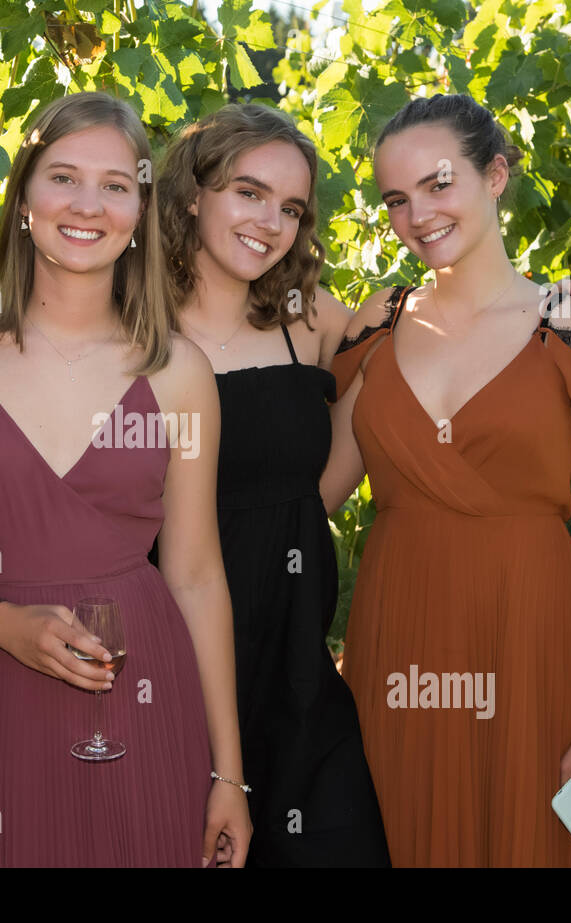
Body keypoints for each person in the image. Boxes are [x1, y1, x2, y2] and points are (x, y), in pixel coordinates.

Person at [0, 92, 252, 867]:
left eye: (114, 185)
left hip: (142, 692)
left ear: (140, 208)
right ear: (24, 195)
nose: (87, 205)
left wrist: (228, 772)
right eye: (63, 177)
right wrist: (4, 622)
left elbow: (198, 575)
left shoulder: (180, 374)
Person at [321, 93, 571, 866]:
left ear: (494, 174)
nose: (417, 214)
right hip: (397, 647)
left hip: (530, 644)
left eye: (437, 184)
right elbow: (312, 497)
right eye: (396, 199)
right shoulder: (377, 324)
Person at [155, 104, 389, 866]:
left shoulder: (310, 317)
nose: (271, 222)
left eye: (290, 208)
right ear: (193, 193)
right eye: (249, 193)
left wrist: (293, 518)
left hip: (297, 668)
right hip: (171, 662)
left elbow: (370, 416)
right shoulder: (128, 319)